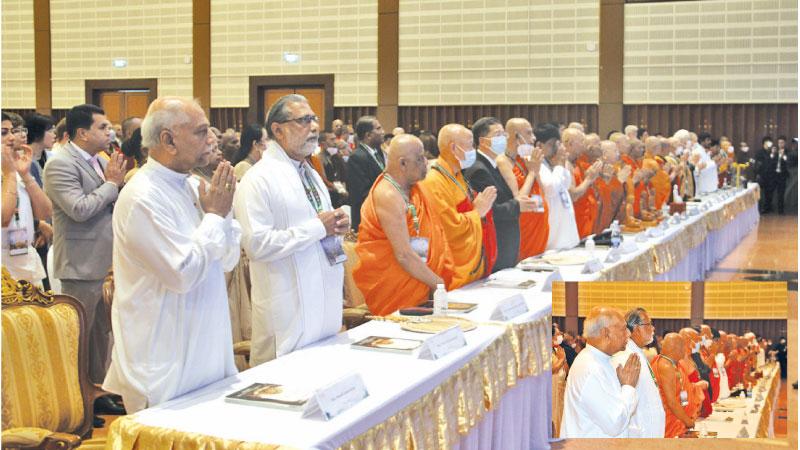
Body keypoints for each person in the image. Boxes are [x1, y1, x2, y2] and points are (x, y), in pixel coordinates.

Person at [102, 97, 241, 413]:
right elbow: (182, 275)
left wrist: (225, 212)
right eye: (202, 132)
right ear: (168, 140)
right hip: (163, 361)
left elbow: (229, 259)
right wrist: (216, 217)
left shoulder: (193, 185)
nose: (211, 140)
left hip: (206, 349)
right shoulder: (142, 196)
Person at [234, 94, 349, 365]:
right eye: (303, 120)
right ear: (277, 130)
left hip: (324, 305)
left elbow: (322, 225)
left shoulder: (310, 173)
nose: (313, 127)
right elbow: (256, 245)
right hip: (287, 314)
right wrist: (317, 228)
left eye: (315, 119)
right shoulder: (258, 178)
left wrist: (338, 225)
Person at [43, 104, 128, 424]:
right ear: (82, 133)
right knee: (80, 336)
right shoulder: (60, 164)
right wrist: (112, 184)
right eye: (103, 127)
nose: (110, 132)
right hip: (80, 264)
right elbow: (79, 209)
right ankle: (77, 401)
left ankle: (97, 392)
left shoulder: (99, 160)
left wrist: (114, 184)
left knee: (100, 336)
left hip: (105, 262)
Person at [353, 134, 454, 315]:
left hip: (423, 281)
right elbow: (404, 255)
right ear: (402, 163)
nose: (426, 162)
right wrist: (438, 284)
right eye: (419, 158)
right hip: (398, 288)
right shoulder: (388, 195)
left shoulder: (413, 188)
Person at [420, 124, 497, 287]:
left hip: (471, 265)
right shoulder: (433, 180)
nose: (473, 150)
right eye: (470, 145)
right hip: (452, 269)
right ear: (454, 147)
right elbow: (448, 227)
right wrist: (478, 212)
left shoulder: (456, 174)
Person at [465, 117, 537, 271]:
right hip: (496, 245)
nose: (504, 138)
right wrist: (517, 205)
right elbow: (491, 210)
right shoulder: (479, 169)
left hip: (506, 246)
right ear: (484, 141)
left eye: (504, 134)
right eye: (498, 135)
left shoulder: (493, 165)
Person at [560, 306, 640, 438]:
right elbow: (614, 424)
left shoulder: (600, 360)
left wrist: (621, 386)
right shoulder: (590, 368)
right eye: (623, 329)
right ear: (606, 333)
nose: (629, 334)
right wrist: (628, 387)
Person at [1, 113, 52, 286]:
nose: (11, 137)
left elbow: (45, 211)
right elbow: (3, 217)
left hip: (24, 253)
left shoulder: (17, 165)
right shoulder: (8, 170)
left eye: (12, 131)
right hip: (3, 261)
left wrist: (25, 174)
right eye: (3, 132)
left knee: (34, 313)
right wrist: (9, 174)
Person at [497, 118, 548, 259]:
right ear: (516, 137)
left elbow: (543, 192)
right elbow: (518, 199)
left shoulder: (526, 159)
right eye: (529, 133)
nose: (533, 138)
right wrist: (532, 172)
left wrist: (535, 170)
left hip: (539, 229)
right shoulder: (503, 161)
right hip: (522, 231)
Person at [610, 307, 665, 438]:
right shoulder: (624, 357)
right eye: (649, 324)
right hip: (639, 434)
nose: (653, 328)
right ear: (634, 329)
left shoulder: (638, 353)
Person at [535, 123, 579, 250]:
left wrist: (562, 163)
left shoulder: (552, 164)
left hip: (567, 233)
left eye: (557, 144)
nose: (555, 148)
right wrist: (559, 164)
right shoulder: (537, 165)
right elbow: (550, 189)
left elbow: (565, 184)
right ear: (539, 145)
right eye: (552, 144)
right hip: (554, 238)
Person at [347, 116, 386, 231]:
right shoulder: (357, 157)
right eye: (378, 129)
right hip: (365, 219)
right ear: (368, 135)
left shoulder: (378, 153)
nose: (383, 132)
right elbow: (361, 193)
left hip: (379, 214)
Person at [653, 333, 695, 438]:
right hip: (671, 424)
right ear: (675, 348)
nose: (685, 350)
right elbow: (671, 402)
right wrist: (688, 422)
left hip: (678, 420)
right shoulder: (666, 366)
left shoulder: (672, 364)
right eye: (683, 346)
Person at [565, 127, 601, 239]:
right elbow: (573, 195)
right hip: (575, 221)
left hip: (586, 219)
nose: (584, 145)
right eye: (581, 141)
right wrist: (589, 179)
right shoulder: (565, 164)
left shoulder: (578, 163)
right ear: (570, 144)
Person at [593, 141, 630, 234]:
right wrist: (619, 182)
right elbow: (602, 200)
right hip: (599, 224)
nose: (618, 153)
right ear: (604, 154)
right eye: (615, 150)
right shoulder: (596, 170)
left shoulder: (615, 168)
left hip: (613, 220)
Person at [552, 323, 569, 438]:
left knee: (561, 421)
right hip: (552, 394)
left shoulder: (558, 350)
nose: (560, 336)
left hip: (561, 392)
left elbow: (566, 370)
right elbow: (552, 370)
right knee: (554, 420)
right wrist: (561, 358)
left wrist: (564, 359)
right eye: (558, 334)